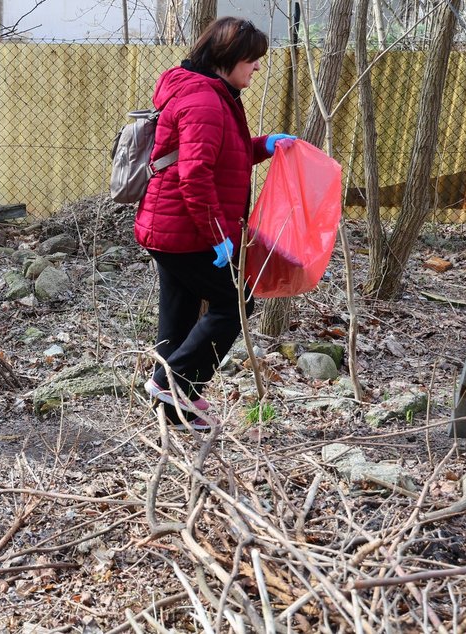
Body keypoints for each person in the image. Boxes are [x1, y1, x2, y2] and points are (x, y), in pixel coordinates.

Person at [134, 17, 295, 429]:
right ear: (230, 57)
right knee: (236, 302)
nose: (257, 68)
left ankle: (173, 406)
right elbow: (195, 175)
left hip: (171, 228)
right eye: (252, 60)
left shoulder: (213, 94)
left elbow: (225, 156)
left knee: (180, 313)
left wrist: (265, 146)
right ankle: (173, 384)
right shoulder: (205, 101)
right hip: (183, 230)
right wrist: (219, 237)